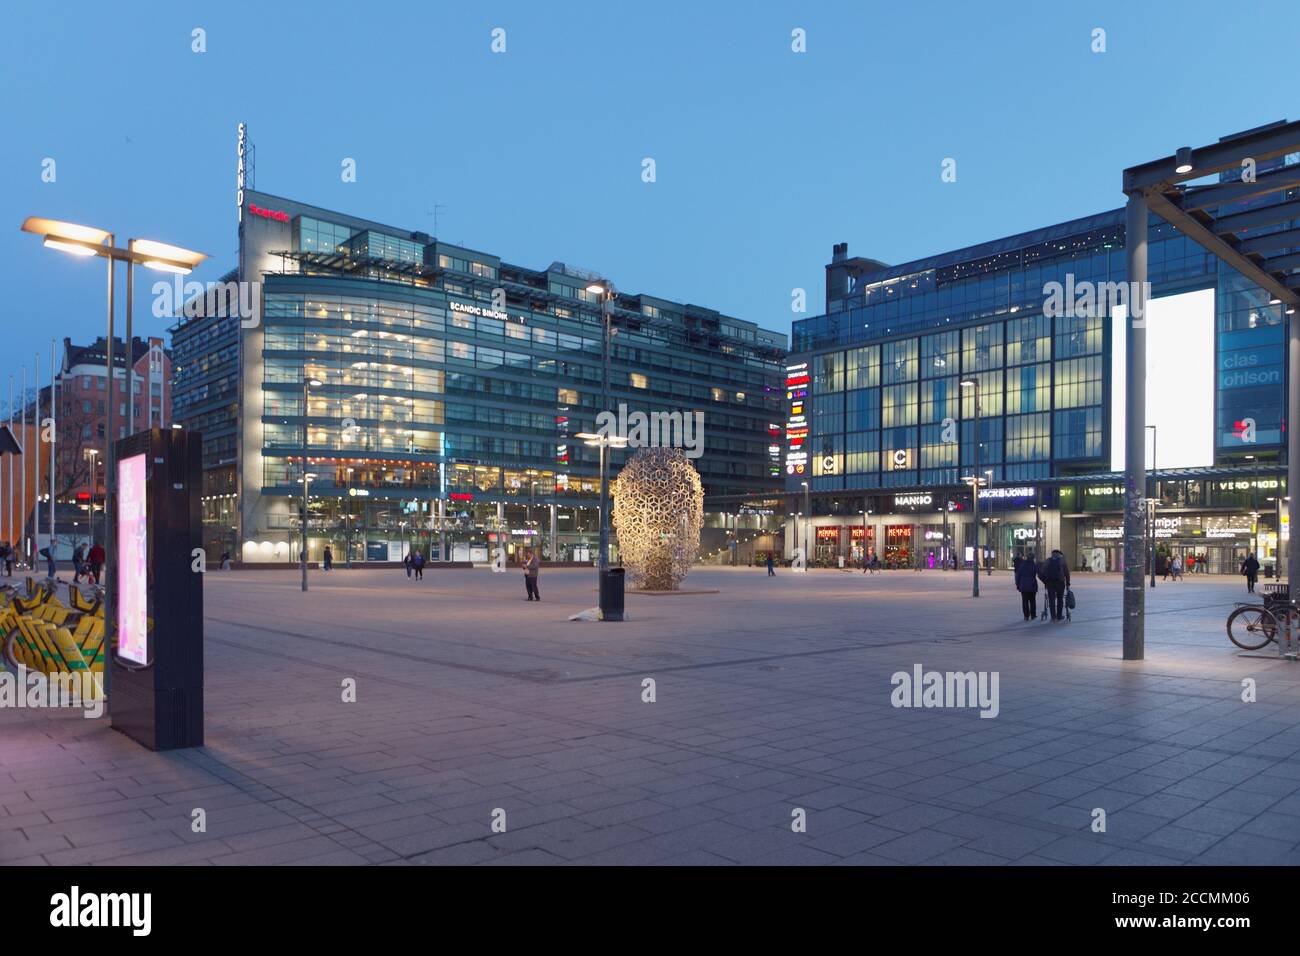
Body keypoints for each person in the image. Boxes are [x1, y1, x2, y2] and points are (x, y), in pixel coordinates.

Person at [1039, 548, 1070, 622]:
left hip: (1050, 583)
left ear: (1052, 554)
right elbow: (1066, 573)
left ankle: (1053, 617)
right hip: (1060, 583)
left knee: (1051, 600)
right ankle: (1059, 616)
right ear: (1060, 554)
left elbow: (1041, 572)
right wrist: (1068, 583)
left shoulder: (1048, 560)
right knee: (1060, 599)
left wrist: (1045, 581)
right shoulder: (1062, 561)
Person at [1014, 551, 1039, 621]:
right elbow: (1039, 573)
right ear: (1033, 558)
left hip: (1023, 585)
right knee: (1032, 600)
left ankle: (1026, 616)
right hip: (1032, 585)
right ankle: (1033, 615)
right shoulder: (1034, 565)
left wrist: (1018, 584)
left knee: (1024, 601)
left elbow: (1018, 575)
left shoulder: (1022, 565)